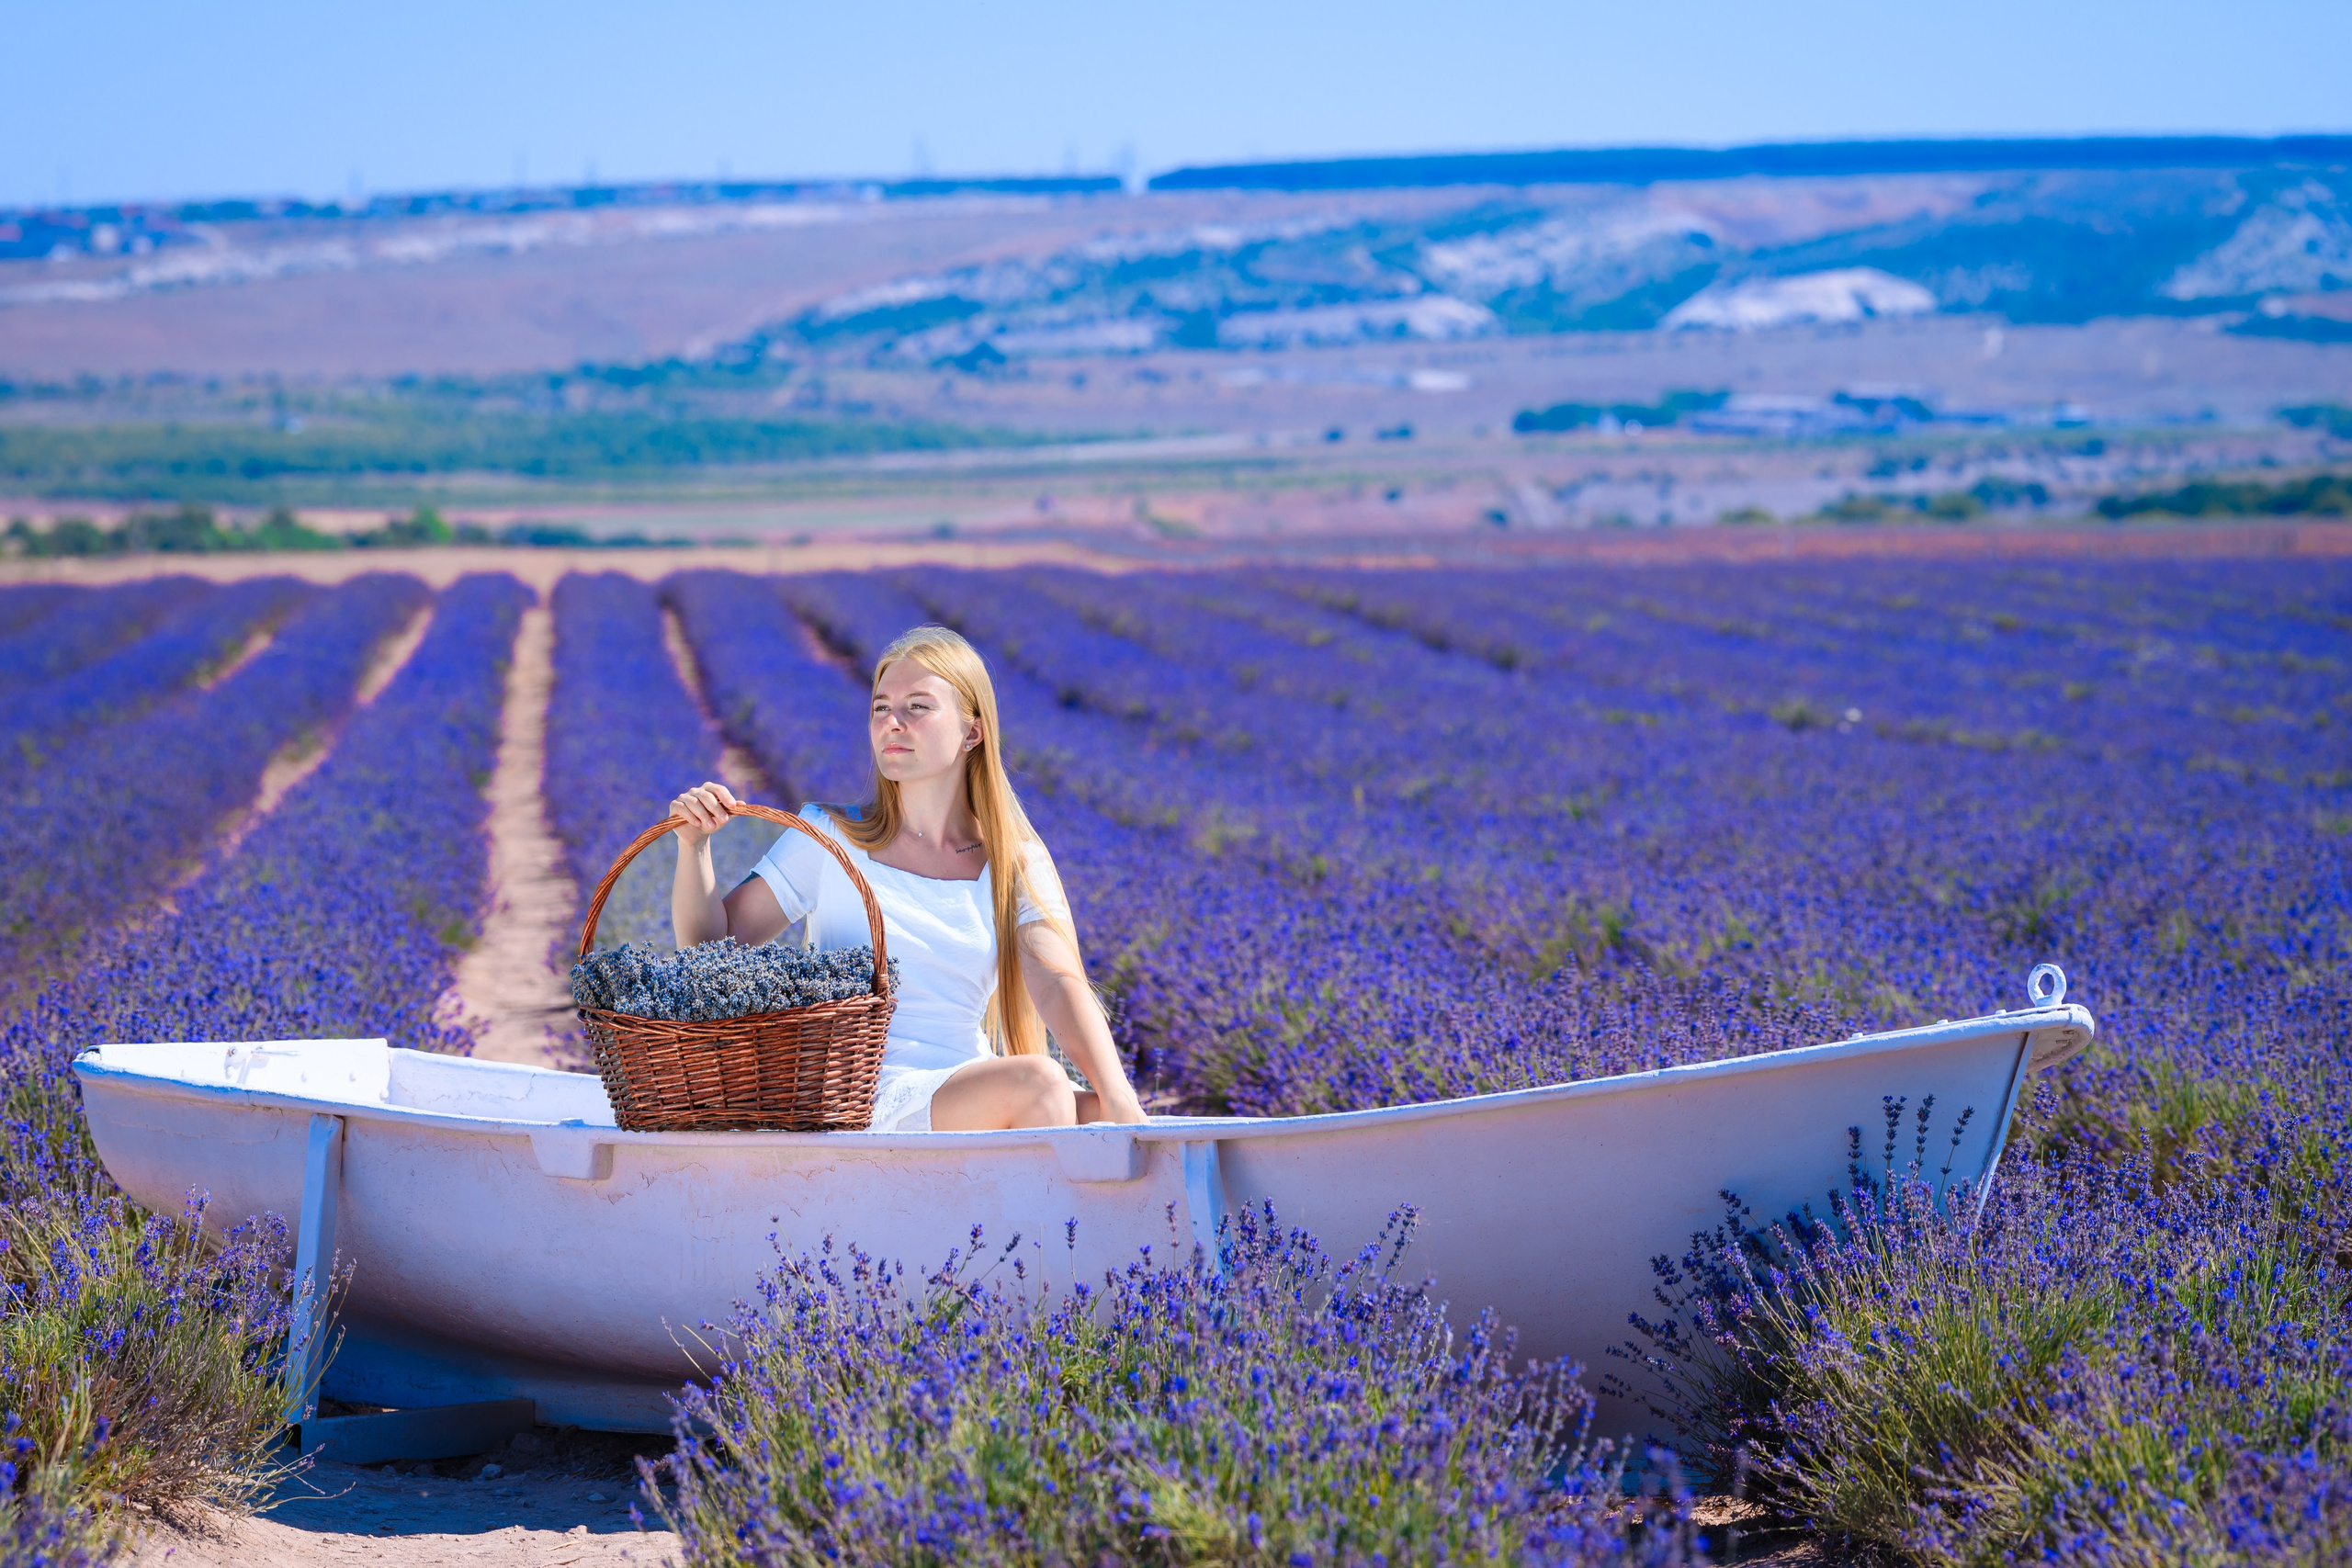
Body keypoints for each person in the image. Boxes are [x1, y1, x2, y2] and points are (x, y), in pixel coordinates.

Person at [668, 624, 1148, 1132]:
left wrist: (1119, 1098)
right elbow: (708, 949)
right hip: (856, 1091)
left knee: (1093, 1110)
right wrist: (693, 846)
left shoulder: (1015, 860)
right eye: (880, 708)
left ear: (972, 732)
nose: (892, 723)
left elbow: (1057, 984)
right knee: (1042, 1084)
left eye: (917, 706)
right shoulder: (830, 835)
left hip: (966, 1082)